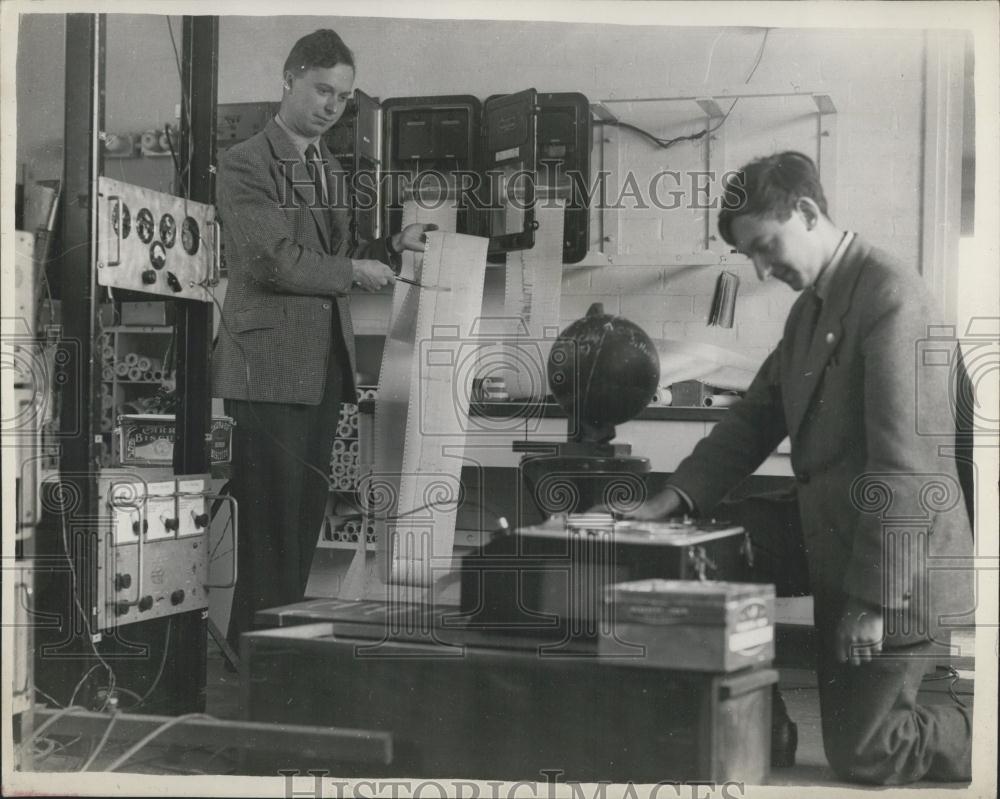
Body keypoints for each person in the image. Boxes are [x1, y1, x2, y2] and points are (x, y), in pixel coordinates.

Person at [629, 152, 974, 784]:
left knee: (869, 754)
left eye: (765, 247)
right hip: (833, 538)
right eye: (750, 257)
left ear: (808, 212)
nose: (762, 269)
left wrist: (871, 603)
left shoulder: (891, 296)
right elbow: (756, 418)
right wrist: (672, 501)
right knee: (702, 547)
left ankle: (980, 731)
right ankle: (763, 722)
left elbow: (908, 473)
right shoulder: (812, 307)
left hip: (899, 568)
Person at [212, 29, 436, 653]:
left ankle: (268, 655)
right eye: (321, 90)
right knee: (270, 525)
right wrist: (354, 271)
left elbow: (335, 255)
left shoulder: (329, 167)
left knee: (300, 522)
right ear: (288, 80)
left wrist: (390, 247)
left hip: (317, 368)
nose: (332, 106)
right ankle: (258, 659)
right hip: (268, 367)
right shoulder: (247, 162)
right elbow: (273, 261)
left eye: (342, 96)